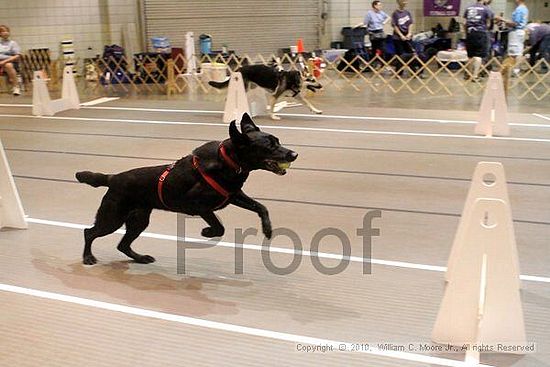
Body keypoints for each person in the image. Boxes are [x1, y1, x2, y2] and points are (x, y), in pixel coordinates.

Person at [463, 0, 494, 81]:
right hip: (480, 33)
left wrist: (466, 33)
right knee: (478, 55)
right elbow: (488, 24)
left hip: (470, 32)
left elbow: (464, 23)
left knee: (470, 55)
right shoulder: (486, 9)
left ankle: (468, 74)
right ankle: (475, 75)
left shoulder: (468, 8)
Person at [391, 0, 423, 77]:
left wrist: (409, 33)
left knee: (411, 54)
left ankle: (414, 72)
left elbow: (410, 24)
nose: (405, 2)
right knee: (401, 56)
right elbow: (394, 26)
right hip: (398, 38)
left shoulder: (407, 12)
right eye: (403, 1)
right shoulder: (395, 13)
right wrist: (401, 35)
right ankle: (398, 73)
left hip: (407, 37)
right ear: (399, 2)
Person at [495, 0, 528, 67]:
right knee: (517, 51)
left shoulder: (519, 9)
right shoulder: (524, 8)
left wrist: (502, 19)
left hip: (516, 32)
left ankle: (515, 69)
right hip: (519, 32)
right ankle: (515, 69)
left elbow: (515, 23)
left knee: (515, 53)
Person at [0, 25, 21, 96]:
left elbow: (17, 56)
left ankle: (16, 87)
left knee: (8, 65)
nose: (5, 33)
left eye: (7, 31)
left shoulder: (13, 43)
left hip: (10, 62)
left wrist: (4, 61)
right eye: (3, 31)